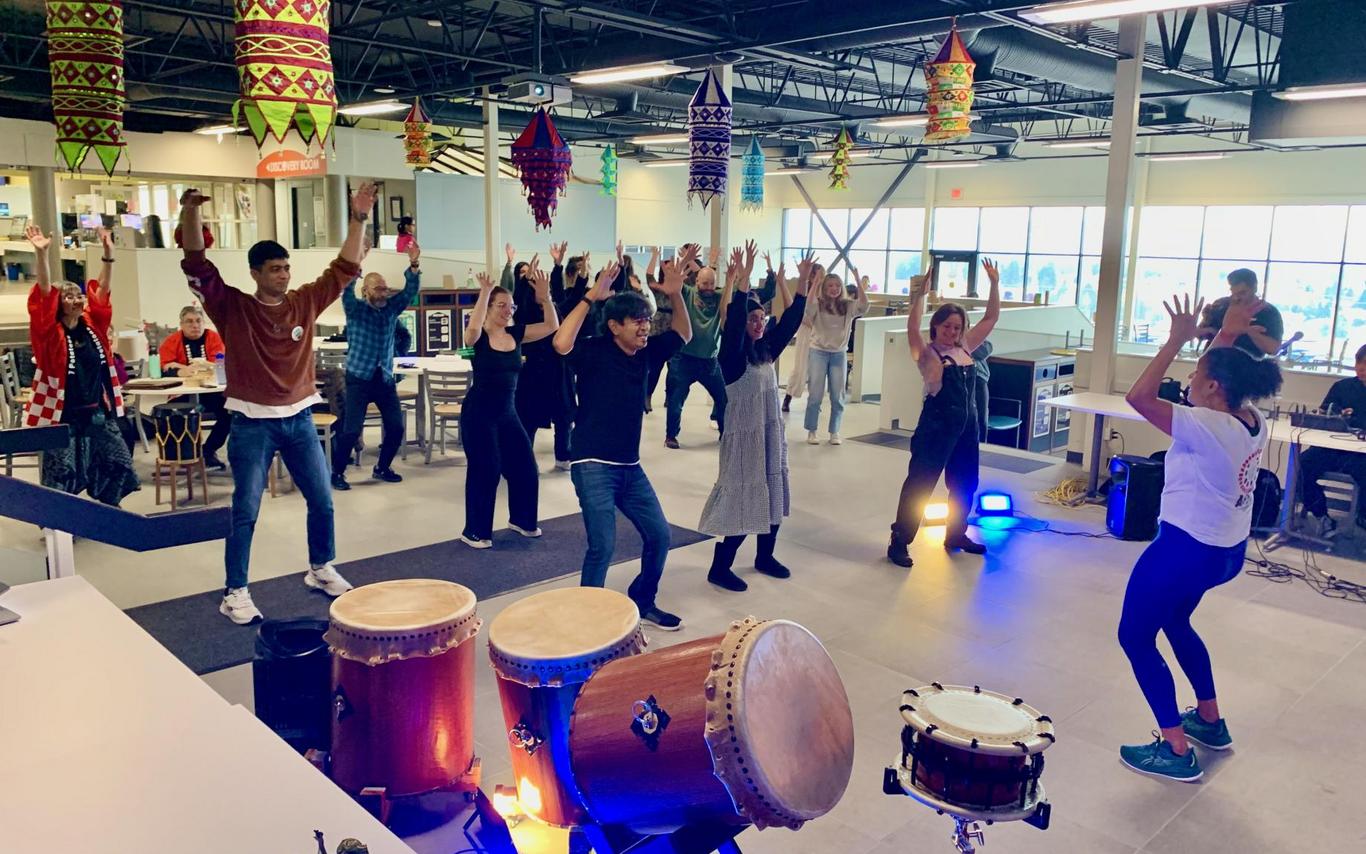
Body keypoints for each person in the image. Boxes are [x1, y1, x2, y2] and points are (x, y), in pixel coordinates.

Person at [179, 181, 376, 625]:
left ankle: (320, 566)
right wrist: (190, 213)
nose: (283, 275)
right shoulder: (232, 307)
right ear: (255, 273)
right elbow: (196, 263)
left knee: (322, 501)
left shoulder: (304, 301)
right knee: (245, 510)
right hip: (251, 424)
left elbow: (345, 266)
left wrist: (359, 218)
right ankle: (235, 591)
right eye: (274, 269)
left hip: (300, 418)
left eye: (286, 267)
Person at [1117, 294, 1281, 782]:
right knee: (1176, 621)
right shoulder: (1249, 419)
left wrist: (1173, 341)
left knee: (1134, 636)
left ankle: (1174, 748)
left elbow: (1139, 398)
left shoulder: (1206, 425)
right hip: (1224, 552)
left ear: (1211, 388)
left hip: (1184, 550)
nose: (1186, 379)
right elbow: (1220, 374)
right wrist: (1222, 335)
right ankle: (1210, 721)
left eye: (1194, 375)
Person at [553, 247, 698, 631]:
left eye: (647, 321)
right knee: (603, 546)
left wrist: (675, 293)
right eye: (636, 321)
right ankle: (589, 621)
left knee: (660, 536)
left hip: (630, 467)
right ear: (614, 325)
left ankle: (643, 600)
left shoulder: (647, 355)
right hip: (592, 464)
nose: (645, 327)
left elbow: (684, 332)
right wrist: (590, 297)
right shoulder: (595, 351)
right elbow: (560, 343)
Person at [701, 244, 808, 591]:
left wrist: (802, 282)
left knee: (773, 491)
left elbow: (791, 321)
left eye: (762, 318)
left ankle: (765, 556)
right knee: (744, 499)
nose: (759, 324)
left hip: (769, 433)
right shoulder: (732, 358)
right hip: (743, 438)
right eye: (753, 319)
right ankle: (720, 567)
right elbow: (732, 325)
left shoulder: (766, 349)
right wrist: (742, 280)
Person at [887, 259, 1001, 569]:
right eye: (947, 326)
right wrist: (919, 297)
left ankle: (956, 534)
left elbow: (991, 318)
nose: (952, 331)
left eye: (957, 327)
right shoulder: (928, 354)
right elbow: (913, 328)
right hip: (936, 428)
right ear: (936, 325)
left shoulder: (965, 348)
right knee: (920, 484)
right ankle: (900, 541)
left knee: (965, 483)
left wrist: (994, 285)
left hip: (967, 427)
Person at [23, 225, 139, 506]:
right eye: (68, 296)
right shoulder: (49, 334)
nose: (76, 300)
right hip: (61, 413)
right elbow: (43, 293)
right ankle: (60, 525)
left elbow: (102, 292)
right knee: (62, 471)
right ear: (57, 304)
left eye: (78, 295)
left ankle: (109, 511)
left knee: (118, 460)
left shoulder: (92, 326)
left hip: (96, 410)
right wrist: (42, 255)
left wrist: (108, 257)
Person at [460, 263, 559, 548]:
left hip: (507, 413)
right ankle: (474, 531)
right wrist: (485, 292)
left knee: (526, 468)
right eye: (502, 306)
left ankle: (522, 520)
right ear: (489, 308)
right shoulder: (477, 339)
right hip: (479, 413)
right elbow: (472, 330)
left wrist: (546, 298)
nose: (508, 311)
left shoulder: (515, 335)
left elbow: (552, 327)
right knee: (486, 469)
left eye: (511, 307)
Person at [329, 240, 422, 490]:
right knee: (350, 430)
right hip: (359, 377)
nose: (383, 293)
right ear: (366, 292)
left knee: (395, 428)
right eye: (378, 289)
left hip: (384, 379)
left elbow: (409, 292)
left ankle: (382, 467)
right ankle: (337, 472)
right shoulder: (355, 310)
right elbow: (345, 289)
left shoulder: (391, 309)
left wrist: (413, 265)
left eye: (384, 289)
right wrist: (356, 263)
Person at [511, 241, 575, 471]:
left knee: (564, 416)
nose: (544, 289)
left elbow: (562, 292)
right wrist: (524, 279)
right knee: (528, 418)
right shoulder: (525, 311)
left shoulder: (553, 305)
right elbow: (517, 301)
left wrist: (558, 265)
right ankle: (524, 460)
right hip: (533, 372)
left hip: (558, 369)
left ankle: (563, 456)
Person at [1296, 344, 1366, 536]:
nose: (1362, 370)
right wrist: (1338, 416)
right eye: (1359, 365)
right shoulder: (1342, 387)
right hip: (1332, 449)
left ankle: (1363, 518)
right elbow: (1324, 414)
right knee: (1302, 466)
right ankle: (1322, 516)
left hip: (1360, 455)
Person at [664, 243, 729, 449]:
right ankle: (671, 436)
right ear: (697, 281)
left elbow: (737, 289)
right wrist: (684, 261)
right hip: (684, 358)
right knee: (676, 400)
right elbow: (675, 281)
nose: (708, 287)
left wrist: (734, 273)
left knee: (723, 399)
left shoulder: (719, 296)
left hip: (710, 360)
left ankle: (725, 432)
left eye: (712, 283)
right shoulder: (689, 293)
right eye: (704, 283)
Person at [159, 304, 231, 470]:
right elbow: (164, 367)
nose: (195, 325)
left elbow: (219, 362)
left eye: (198, 321)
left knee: (229, 412)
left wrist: (186, 366)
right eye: (189, 321)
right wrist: (178, 370)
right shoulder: (173, 340)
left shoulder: (213, 337)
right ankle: (184, 456)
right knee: (172, 414)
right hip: (182, 393)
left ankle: (208, 450)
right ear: (181, 324)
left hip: (211, 391)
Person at [802, 265, 868, 445]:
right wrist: (815, 283)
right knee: (815, 394)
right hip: (818, 352)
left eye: (837, 286)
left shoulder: (847, 306)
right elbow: (807, 307)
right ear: (825, 288)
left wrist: (858, 281)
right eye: (830, 286)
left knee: (838, 396)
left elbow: (864, 306)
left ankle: (834, 431)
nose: (834, 289)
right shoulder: (818, 305)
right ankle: (812, 430)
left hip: (838, 354)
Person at [1196, 268, 1283, 357]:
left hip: (1247, 367)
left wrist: (1249, 331)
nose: (1237, 298)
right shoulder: (1221, 305)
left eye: (1242, 293)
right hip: (1214, 363)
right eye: (1233, 293)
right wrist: (1208, 326)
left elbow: (1274, 349)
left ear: (1254, 288)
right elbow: (1200, 335)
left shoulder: (1269, 312)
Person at [782, 259, 822, 413]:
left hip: (820, 334)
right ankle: (788, 397)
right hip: (806, 332)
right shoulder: (805, 291)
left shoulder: (824, 293)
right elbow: (801, 313)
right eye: (818, 275)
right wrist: (813, 324)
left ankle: (814, 402)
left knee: (817, 369)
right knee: (800, 367)